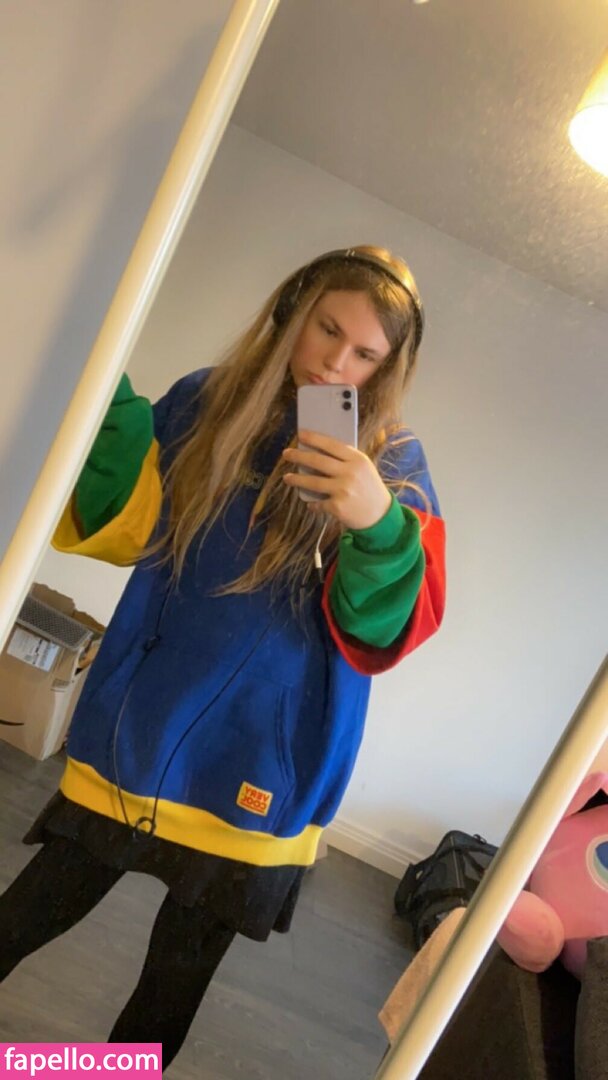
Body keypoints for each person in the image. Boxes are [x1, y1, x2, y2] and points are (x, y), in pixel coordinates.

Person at [0, 245, 446, 1068]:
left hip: (267, 762)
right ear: (292, 310)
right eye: (327, 329)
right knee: (24, 917)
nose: (336, 363)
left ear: (387, 369)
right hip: (145, 728)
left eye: (364, 353)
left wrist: (376, 523)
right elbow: (129, 525)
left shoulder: (394, 464)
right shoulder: (208, 400)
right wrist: (103, 392)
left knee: (170, 989)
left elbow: (388, 629)